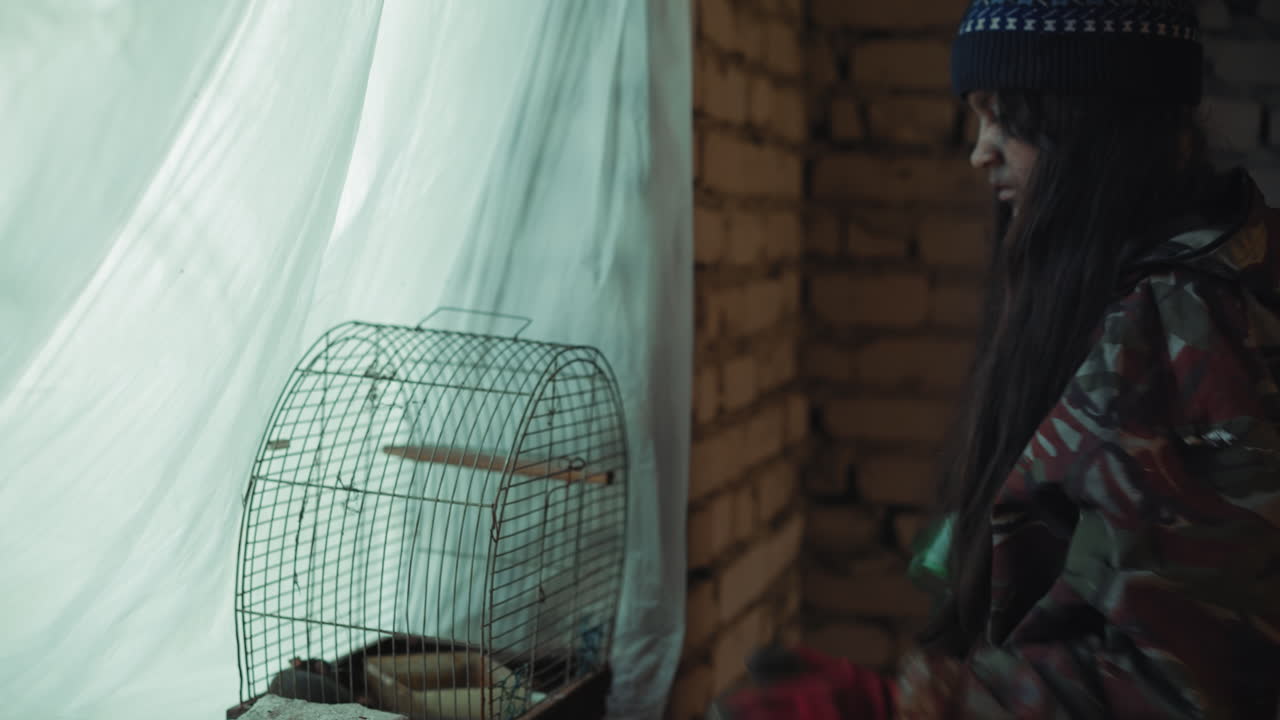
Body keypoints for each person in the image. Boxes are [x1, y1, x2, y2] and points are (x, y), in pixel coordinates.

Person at [726, 0, 1280, 717]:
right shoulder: (1153, 285)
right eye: (978, 113)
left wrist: (899, 706)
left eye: (1008, 117)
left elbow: (1183, 687)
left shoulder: (1188, 328)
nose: (979, 149)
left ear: (1095, 124)